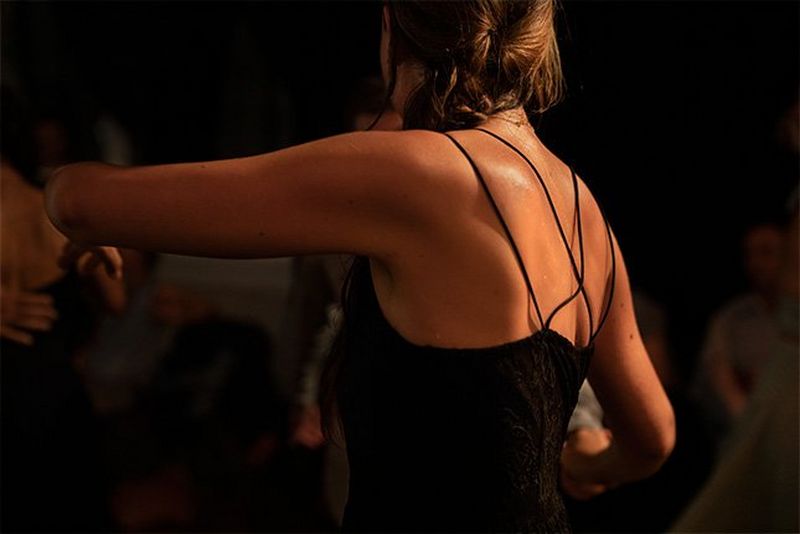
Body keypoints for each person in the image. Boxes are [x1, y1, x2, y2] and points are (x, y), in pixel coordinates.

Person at [43, 2, 674, 531]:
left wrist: (99, 220)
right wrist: (583, 466)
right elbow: (652, 437)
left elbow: (75, 198)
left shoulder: (413, 173)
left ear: (394, 29)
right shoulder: (581, 206)